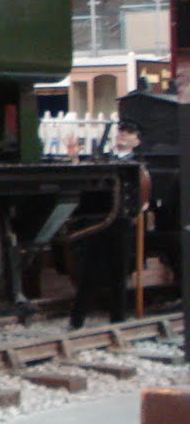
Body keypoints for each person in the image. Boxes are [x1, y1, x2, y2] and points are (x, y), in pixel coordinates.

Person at [67, 121, 140, 329]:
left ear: (137, 141)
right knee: (90, 270)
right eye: (121, 131)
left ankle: (118, 319)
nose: (123, 135)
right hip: (98, 220)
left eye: (129, 133)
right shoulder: (101, 159)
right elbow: (85, 180)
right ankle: (77, 320)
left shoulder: (138, 164)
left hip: (122, 221)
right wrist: (74, 159)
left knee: (120, 271)